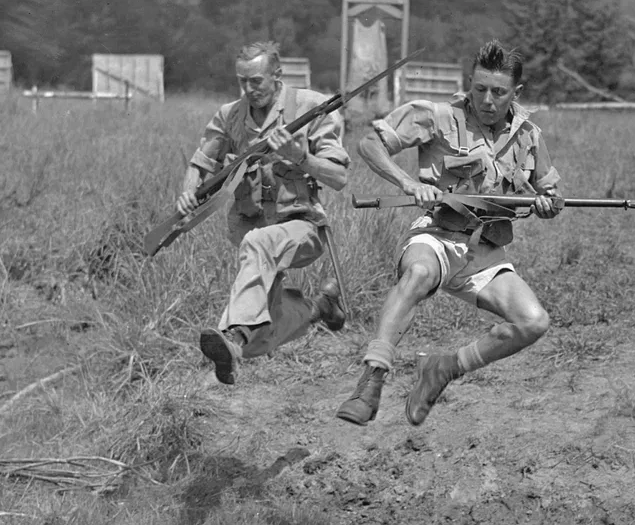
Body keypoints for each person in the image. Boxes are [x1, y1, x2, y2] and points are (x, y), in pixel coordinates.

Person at [336, 40, 563, 426]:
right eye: (479, 88)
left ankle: (443, 369)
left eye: (498, 92)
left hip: (484, 249)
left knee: (533, 322)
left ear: (516, 93)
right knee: (419, 273)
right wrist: (409, 183)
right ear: (468, 83)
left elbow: (552, 192)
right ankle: (371, 380)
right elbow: (370, 144)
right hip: (436, 234)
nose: (487, 100)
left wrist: (549, 204)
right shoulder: (436, 116)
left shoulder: (529, 136)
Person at [178, 41, 350, 385]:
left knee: (258, 246)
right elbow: (202, 162)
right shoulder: (231, 116)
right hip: (252, 231)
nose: (248, 89)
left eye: (256, 81)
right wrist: (187, 192)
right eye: (242, 81)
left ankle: (233, 333)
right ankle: (320, 308)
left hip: (301, 227)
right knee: (260, 339)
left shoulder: (311, 108)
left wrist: (300, 157)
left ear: (277, 75)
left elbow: (338, 177)